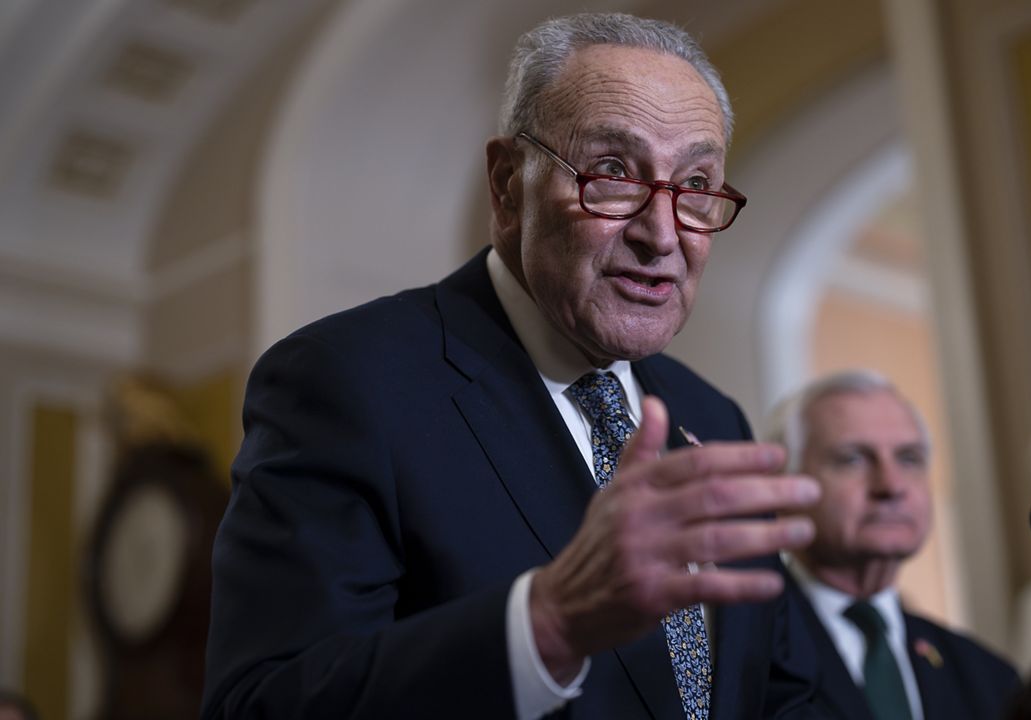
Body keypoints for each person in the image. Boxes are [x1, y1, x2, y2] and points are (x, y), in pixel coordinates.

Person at [201, 12, 824, 720]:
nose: (662, 233)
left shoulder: (713, 419)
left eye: (695, 183)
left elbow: (781, 693)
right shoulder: (347, 382)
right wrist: (547, 626)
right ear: (506, 186)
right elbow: (261, 706)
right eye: (613, 172)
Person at [769, 370, 1020, 719]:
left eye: (909, 458)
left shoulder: (987, 677)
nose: (890, 486)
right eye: (852, 459)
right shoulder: (742, 651)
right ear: (783, 488)